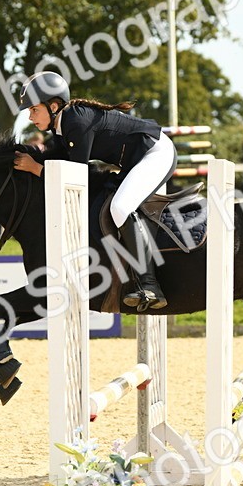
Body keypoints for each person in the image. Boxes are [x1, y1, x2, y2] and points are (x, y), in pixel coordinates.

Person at [13, 71, 176, 311]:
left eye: (34, 110)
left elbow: (76, 176)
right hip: (137, 159)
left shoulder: (75, 122)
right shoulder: (62, 127)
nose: (30, 117)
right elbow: (58, 163)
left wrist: (35, 168)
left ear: (53, 106)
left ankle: (150, 284)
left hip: (156, 153)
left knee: (120, 207)